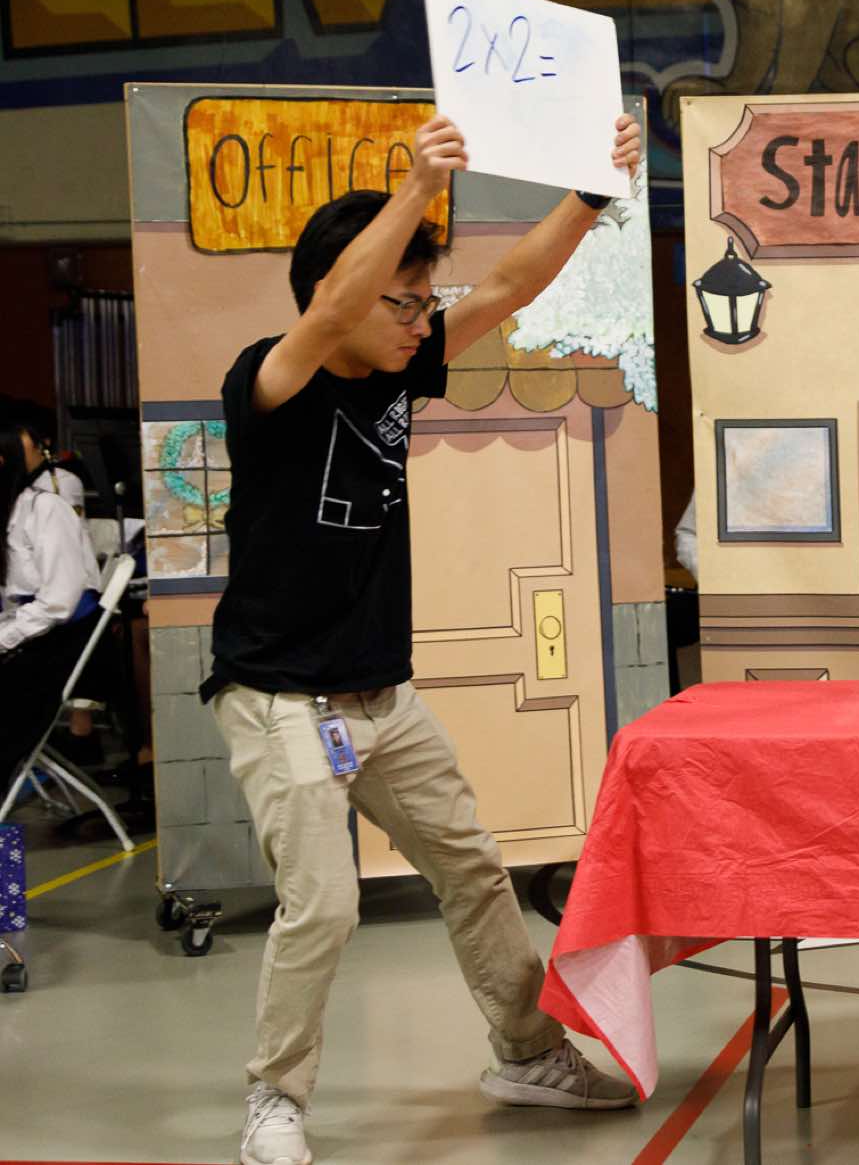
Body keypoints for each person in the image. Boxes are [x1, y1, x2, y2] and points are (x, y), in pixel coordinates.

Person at [203, 111, 644, 1165]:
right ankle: (275, 1099)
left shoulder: (407, 365)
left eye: (423, 301)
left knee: (475, 869)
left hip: (380, 697)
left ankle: (526, 1052)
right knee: (324, 904)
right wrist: (416, 188)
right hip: (279, 698)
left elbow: (511, 287)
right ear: (343, 294)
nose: (419, 320)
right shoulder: (273, 379)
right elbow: (333, 309)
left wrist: (590, 193)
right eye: (399, 301)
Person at [0, 414, 103, 784]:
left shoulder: (46, 507)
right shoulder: (11, 511)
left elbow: (59, 602)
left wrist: (6, 637)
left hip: (56, 643)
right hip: (31, 635)